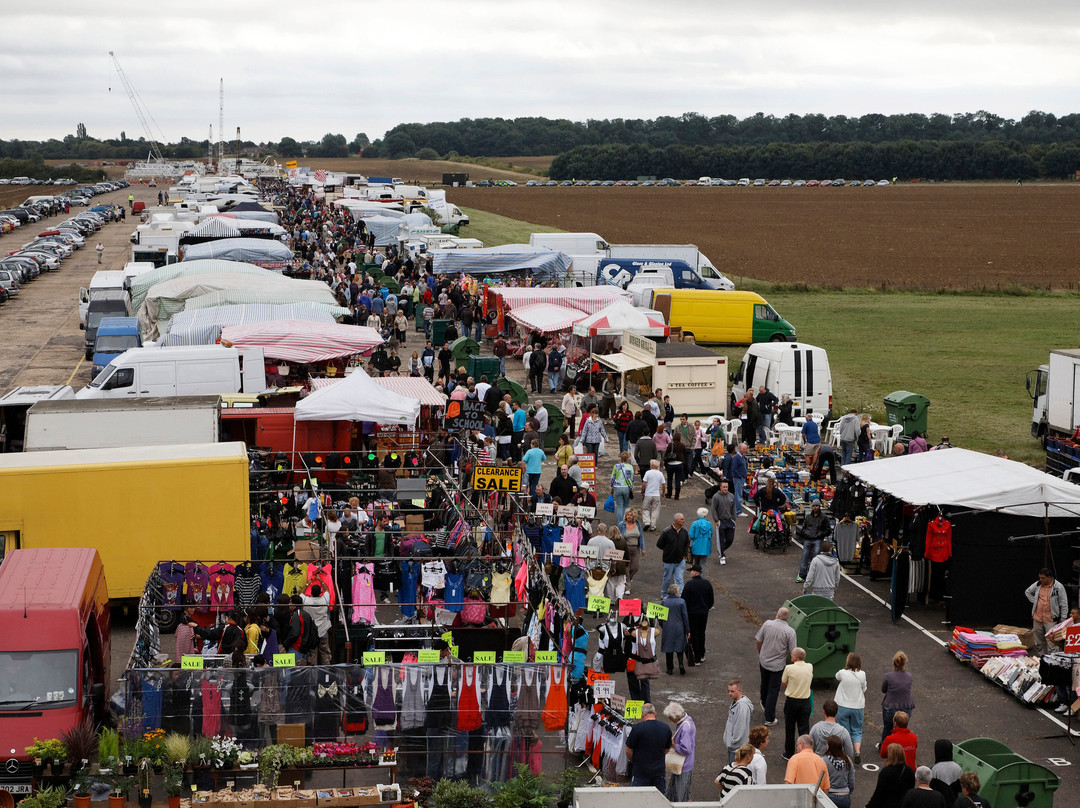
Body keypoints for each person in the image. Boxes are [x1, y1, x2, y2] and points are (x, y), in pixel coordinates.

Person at [756, 606, 797, 726]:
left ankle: (764, 703)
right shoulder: (790, 632)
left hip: (764, 661)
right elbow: (793, 651)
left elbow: (759, 640)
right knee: (773, 690)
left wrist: (761, 653)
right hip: (778, 665)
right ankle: (769, 717)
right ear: (787, 618)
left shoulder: (767, 624)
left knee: (764, 683)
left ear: (778, 615)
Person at [625, 703, 671, 791]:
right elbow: (667, 749)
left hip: (640, 772)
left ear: (643, 715)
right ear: (655, 713)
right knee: (658, 800)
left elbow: (628, 750)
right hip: (659, 772)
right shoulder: (666, 728)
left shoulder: (637, 729)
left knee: (638, 800)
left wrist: (633, 760)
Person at [1025, 567, 1069, 654]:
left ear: (1049, 577)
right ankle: (1042, 658)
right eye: (1040, 577)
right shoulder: (1038, 584)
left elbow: (1064, 603)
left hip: (1051, 619)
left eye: (1043, 578)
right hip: (1037, 618)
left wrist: (1063, 618)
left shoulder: (1058, 587)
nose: (1041, 579)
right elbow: (1028, 591)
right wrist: (1035, 601)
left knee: (1052, 641)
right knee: (1038, 641)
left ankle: (1053, 659)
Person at [834, 652, 867, 763]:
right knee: (857, 730)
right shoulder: (862, 674)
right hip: (858, 706)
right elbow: (864, 688)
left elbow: (836, 676)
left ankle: (845, 753)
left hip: (842, 705)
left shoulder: (843, 673)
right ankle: (857, 752)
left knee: (844, 730)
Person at [782, 647, 814, 759]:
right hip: (805, 701)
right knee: (804, 728)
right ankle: (805, 752)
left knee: (790, 728)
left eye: (792, 654)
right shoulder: (809, 666)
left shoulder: (789, 668)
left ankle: (789, 753)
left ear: (795, 657)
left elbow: (784, 682)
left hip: (792, 701)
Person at [881, 651, 915, 747]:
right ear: (905, 663)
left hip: (891, 706)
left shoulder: (888, 676)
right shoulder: (909, 676)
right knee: (902, 729)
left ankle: (883, 746)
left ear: (894, 663)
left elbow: (883, 690)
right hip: (906, 706)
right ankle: (901, 746)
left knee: (887, 728)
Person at [664, 701, 696, 802]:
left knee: (680, 793)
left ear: (676, 716)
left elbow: (685, 749)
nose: (670, 719)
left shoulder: (685, 727)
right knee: (683, 792)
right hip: (685, 764)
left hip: (683, 765)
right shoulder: (687, 720)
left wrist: (674, 745)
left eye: (670, 717)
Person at [682, 563, 713, 664]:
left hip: (692, 613)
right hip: (704, 612)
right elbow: (711, 600)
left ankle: (697, 657)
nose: (690, 573)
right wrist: (706, 607)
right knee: (701, 632)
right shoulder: (707, 583)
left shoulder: (689, 585)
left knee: (694, 634)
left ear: (695, 572)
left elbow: (684, 600)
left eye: (691, 571)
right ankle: (702, 653)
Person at [796, 499, 832, 582]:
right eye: (814, 506)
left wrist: (820, 534)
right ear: (812, 507)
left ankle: (814, 575)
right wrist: (805, 533)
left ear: (819, 506)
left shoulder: (824, 518)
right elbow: (804, 527)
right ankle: (802, 576)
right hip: (808, 539)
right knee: (804, 557)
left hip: (817, 540)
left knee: (815, 558)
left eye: (817, 506)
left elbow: (828, 530)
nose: (815, 507)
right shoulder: (808, 517)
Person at [656, 513, 689, 599]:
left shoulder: (684, 532)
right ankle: (664, 594)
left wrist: (685, 555)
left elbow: (686, 544)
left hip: (680, 560)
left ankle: (679, 595)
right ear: (676, 521)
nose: (684, 521)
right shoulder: (667, 531)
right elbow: (659, 544)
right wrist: (668, 550)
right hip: (668, 560)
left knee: (679, 579)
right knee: (667, 579)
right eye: (682, 519)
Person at [660, 584, 690, 675]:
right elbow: (685, 617)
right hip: (679, 627)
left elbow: (660, 617)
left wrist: (663, 626)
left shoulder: (664, 602)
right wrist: (687, 630)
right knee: (680, 647)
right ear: (676, 591)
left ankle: (670, 669)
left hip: (668, 627)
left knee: (668, 649)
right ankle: (681, 664)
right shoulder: (681, 602)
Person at [723, 679, 754, 763]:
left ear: (739, 691)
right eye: (729, 691)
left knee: (734, 769)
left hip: (736, 748)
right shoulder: (736, 703)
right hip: (733, 746)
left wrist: (732, 742)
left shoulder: (742, 707)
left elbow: (740, 727)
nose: (729, 693)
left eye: (732, 691)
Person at [823, 734, 856, 808]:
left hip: (829, 795)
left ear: (829, 746)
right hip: (844, 796)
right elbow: (851, 780)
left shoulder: (824, 760)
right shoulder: (847, 760)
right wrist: (849, 791)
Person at [710, 479, 736, 565]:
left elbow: (733, 509)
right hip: (721, 521)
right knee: (721, 539)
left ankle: (721, 550)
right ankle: (722, 556)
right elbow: (713, 509)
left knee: (730, 539)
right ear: (720, 487)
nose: (725, 488)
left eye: (727, 487)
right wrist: (716, 520)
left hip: (730, 521)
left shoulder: (731, 496)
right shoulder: (716, 497)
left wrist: (733, 520)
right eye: (724, 487)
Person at [620, 509, 645, 592]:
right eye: (627, 515)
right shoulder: (622, 524)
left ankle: (627, 580)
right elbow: (619, 537)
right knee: (627, 567)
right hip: (626, 548)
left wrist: (643, 548)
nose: (629, 516)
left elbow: (641, 536)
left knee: (635, 567)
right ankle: (627, 587)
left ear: (633, 516)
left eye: (630, 515)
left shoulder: (637, 524)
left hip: (636, 548)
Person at [641, 459, 666, 531]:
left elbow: (644, 483)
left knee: (645, 508)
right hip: (656, 494)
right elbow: (663, 484)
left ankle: (647, 522)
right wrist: (663, 492)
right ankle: (653, 525)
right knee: (655, 510)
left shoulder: (648, 473)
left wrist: (642, 491)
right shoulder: (660, 474)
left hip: (648, 494)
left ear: (651, 465)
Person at [663, 432, 687, 499]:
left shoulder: (670, 445)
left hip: (671, 464)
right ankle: (677, 495)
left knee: (670, 479)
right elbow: (684, 455)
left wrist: (665, 463)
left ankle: (669, 494)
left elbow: (666, 454)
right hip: (679, 464)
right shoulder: (682, 445)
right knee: (677, 480)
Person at [731, 443, 749, 515]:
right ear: (739, 449)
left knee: (739, 494)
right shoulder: (737, 457)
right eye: (743, 449)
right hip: (738, 478)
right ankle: (738, 511)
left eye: (745, 449)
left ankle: (738, 510)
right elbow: (734, 469)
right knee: (738, 494)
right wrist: (740, 476)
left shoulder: (742, 457)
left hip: (741, 478)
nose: (745, 450)